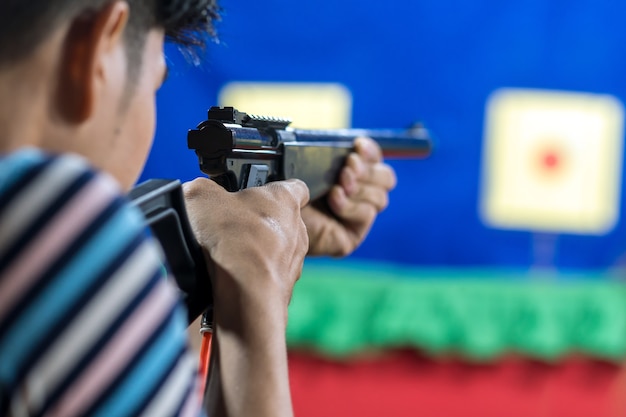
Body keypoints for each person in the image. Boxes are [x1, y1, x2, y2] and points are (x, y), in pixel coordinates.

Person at [0, 0, 397, 416]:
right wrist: (258, 280)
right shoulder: (52, 206)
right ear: (98, 49)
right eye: (155, 84)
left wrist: (199, 256)